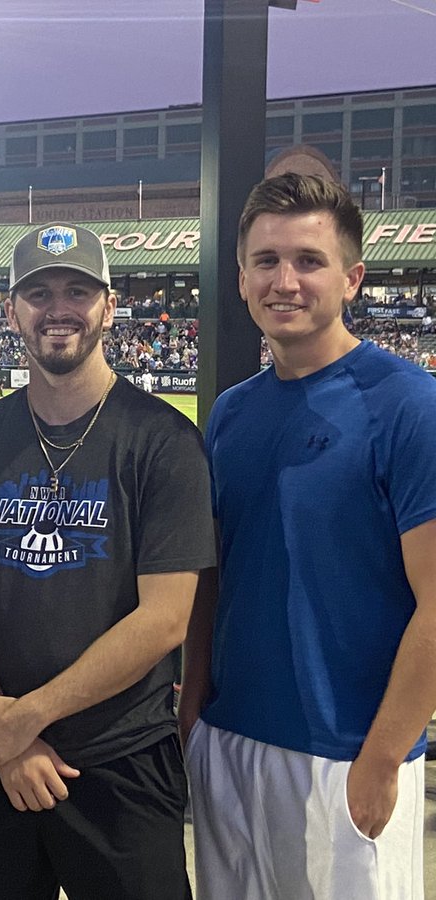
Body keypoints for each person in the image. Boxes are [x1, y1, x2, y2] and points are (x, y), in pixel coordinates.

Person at [0, 222, 214, 899]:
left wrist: (29, 719)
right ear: (11, 311)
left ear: (110, 306)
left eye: (77, 291)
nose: (58, 308)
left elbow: (165, 620)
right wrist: (5, 730)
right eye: (38, 292)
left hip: (120, 758)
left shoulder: (163, 441)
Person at [179, 173, 436, 899]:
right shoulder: (230, 414)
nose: (284, 281)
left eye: (308, 261)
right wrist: (192, 708)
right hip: (230, 742)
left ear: (352, 278)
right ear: (240, 278)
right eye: (266, 261)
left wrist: (383, 758)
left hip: (346, 753)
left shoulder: (409, 406)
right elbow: (215, 576)